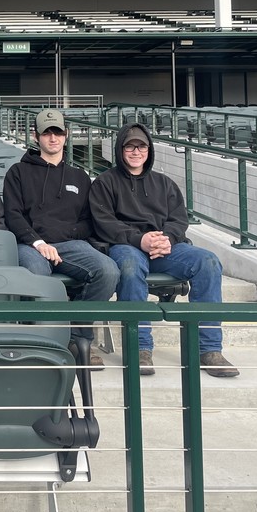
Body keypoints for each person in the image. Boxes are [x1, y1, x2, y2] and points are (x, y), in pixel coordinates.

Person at [89, 122, 238, 378]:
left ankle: (209, 349)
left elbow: (179, 219)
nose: (136, 152)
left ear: (149, 150)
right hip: (126, 246)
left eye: (141, 147)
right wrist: (140, 240)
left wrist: (167, 238)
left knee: (208, 261)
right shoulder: (105, 183)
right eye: (129, 147)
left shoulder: (164, 184)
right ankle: (139, 348)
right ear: (120, 150)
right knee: (130, 266)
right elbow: (104, 222)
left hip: (164, 249)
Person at [3, 109, 118, 368]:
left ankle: (78, 338)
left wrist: (61, 236)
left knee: (109, 271)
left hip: (70, 245)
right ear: (36, 136)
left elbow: (88, 221)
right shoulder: (18, 172)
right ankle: (44, 341)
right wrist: (38, 242)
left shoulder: (80, 177)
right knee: (37, 273)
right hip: (29, 244)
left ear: (66, 135)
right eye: (47, 133)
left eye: (57, 132)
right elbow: (13, 215)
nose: (53, 138)